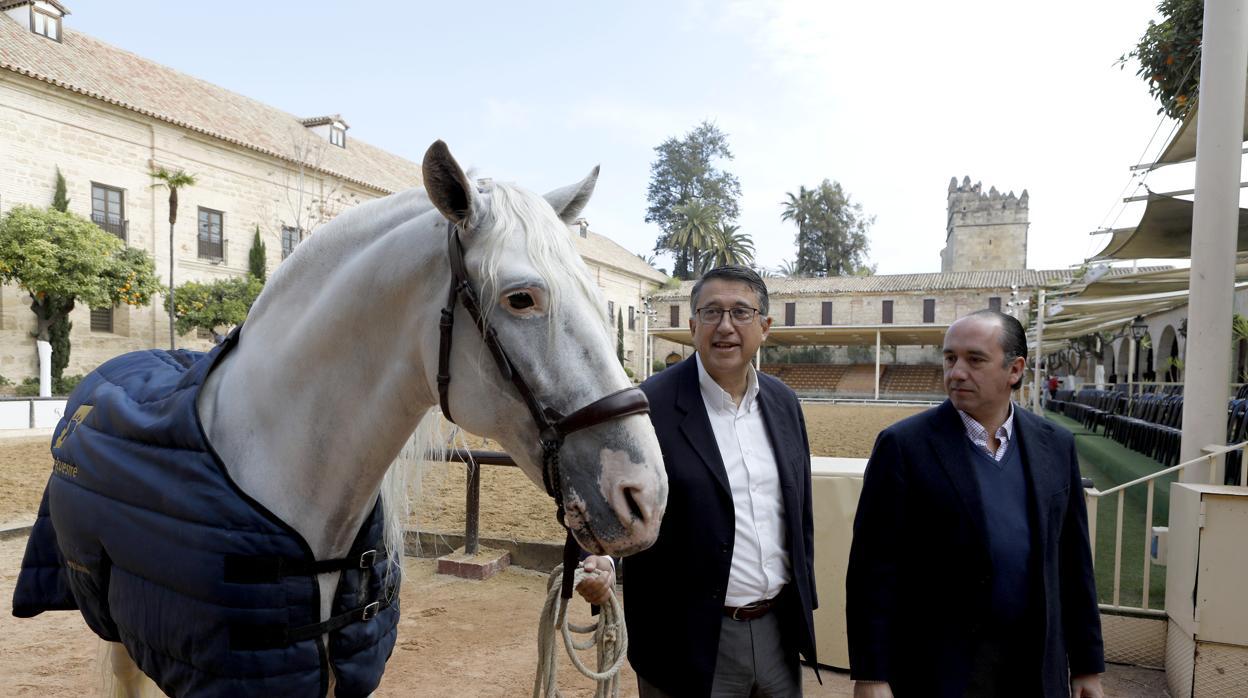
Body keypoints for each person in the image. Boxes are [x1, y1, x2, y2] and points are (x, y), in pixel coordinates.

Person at [580, 265, 818, 697]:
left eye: (741, 313)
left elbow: (798, 514)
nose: (725, 326)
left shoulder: (784, 403)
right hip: (684, 639)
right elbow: (612, 501)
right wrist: (604, 561)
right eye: (711, 313)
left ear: (765, 327)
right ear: (693, 327)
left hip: (778, 634)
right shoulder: (648, 407)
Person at [846, 309, 1104, 698]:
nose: (956, 372)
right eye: (950, 358)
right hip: (938, 669)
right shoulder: (904, 446)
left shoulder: (1056, 445)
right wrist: (871, 675)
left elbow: (1073, 563)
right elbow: (873, 570)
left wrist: (1086, 665)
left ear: (1014, 369)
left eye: (975, 359)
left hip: (1033, 666)